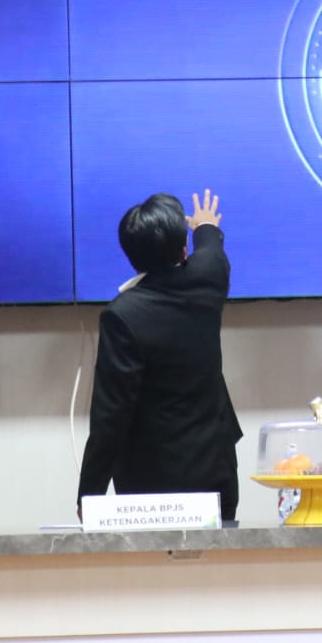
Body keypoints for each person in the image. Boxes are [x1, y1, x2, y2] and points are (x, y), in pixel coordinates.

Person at [77, 190, 243, 520]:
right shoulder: (208, 279)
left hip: (149, 486)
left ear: (130, 254)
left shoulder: (122, 315)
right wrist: (205, 225)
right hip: (215, 470)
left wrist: (89, 495)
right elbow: (211, 250)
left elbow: (111, 414)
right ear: (183, 249)